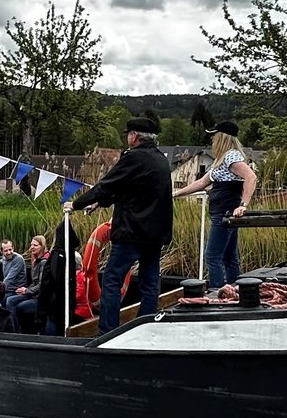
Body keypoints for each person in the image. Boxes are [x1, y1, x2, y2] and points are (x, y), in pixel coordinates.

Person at [66, 116, 174, 333]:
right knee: (150, 282)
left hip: (131, 232)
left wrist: (77, 203)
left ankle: (107, 331)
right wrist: (101, 203)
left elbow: (107, 185)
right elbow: (130, 189)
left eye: (128, 134)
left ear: (134, 136)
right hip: (156, 234)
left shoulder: (133, 157)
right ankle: (148, 327)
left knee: (112, 281)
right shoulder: (161, 160)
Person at [172, 120, 258, 287]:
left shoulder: (230, 157)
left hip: (225, 213)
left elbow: (251, 177)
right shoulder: (221, 160)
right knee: (229, 256)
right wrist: (176, 194)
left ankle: (217, 292)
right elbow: (202, 182)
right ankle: (235, 290)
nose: (212, 140)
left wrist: (243, 204)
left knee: (212, 256)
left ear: (222, 137)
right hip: (224, 212)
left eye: (214, 136)